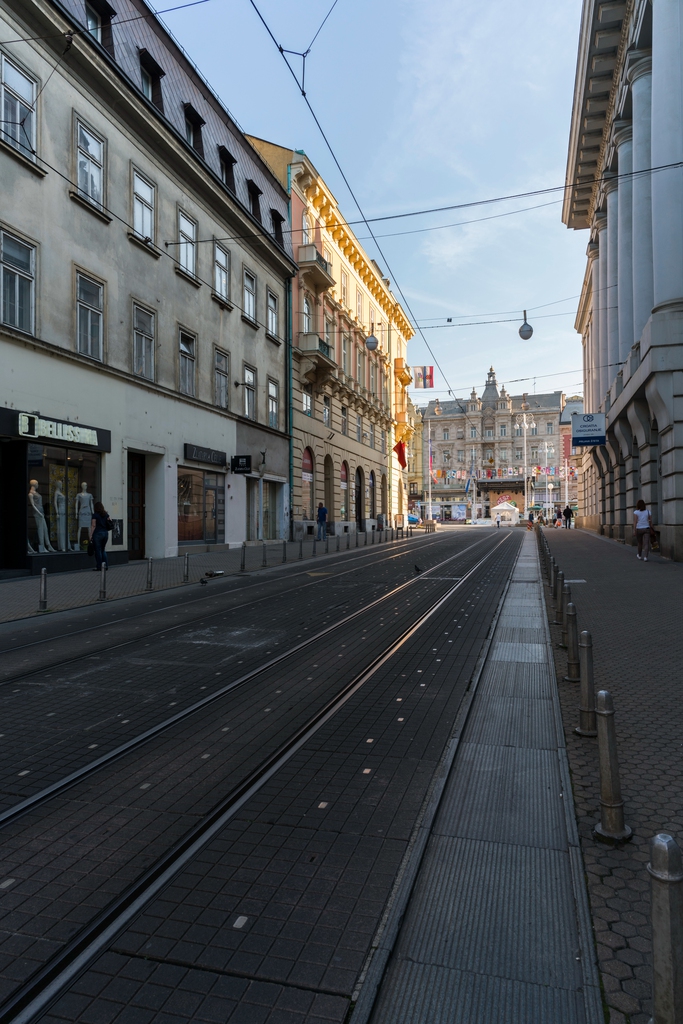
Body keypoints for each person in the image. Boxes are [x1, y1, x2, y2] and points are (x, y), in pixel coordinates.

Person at [90, 501, 112, 570]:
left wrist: (91, 535)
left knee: (98, 550)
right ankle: (105, 566)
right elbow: (110, 522)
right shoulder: (106, 515)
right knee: (103, 550)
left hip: (98, 534)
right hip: (105, 533)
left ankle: (99, 566)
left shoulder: (95, 515)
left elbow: (93, 525)